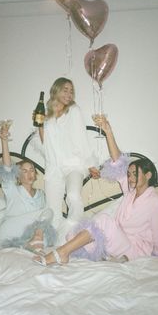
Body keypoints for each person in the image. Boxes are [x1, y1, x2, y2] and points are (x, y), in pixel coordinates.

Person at [34, 116, 158, 266]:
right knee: (73, 235)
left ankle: (61, 253)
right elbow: (118, 162)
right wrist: (108, 132)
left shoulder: (155, 202)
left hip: (136, 251)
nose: (130, 178)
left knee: (104, 219)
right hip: (119, 242)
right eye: (129, 174)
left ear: (148, 175)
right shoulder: (130, 192)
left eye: (135, 174)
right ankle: (104, 256)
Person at [35, 77, 99, 245]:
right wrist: (40, 125)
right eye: (65, 90)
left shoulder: (74, 111)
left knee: (73, 196)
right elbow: (43, 145)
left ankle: (69, 239)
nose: (69, 94)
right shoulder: (47, 115)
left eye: (71, 91)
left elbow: (81, 138)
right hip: (54, 167)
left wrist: (91, 163)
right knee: (52, 209)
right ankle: (55, 244)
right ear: (55, 90)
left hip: (73, 164)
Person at [0, 124, 56, 253]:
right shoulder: (12, 189)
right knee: (48, 211)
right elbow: (7, 168)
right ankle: (36, 237)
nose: (29, 174)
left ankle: (28, 243)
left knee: (45, 225)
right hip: (7, 231)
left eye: (32, 170)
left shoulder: (41, 195)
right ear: (17, 175)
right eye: (24, 171)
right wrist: (4, 141)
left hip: (24, 235)